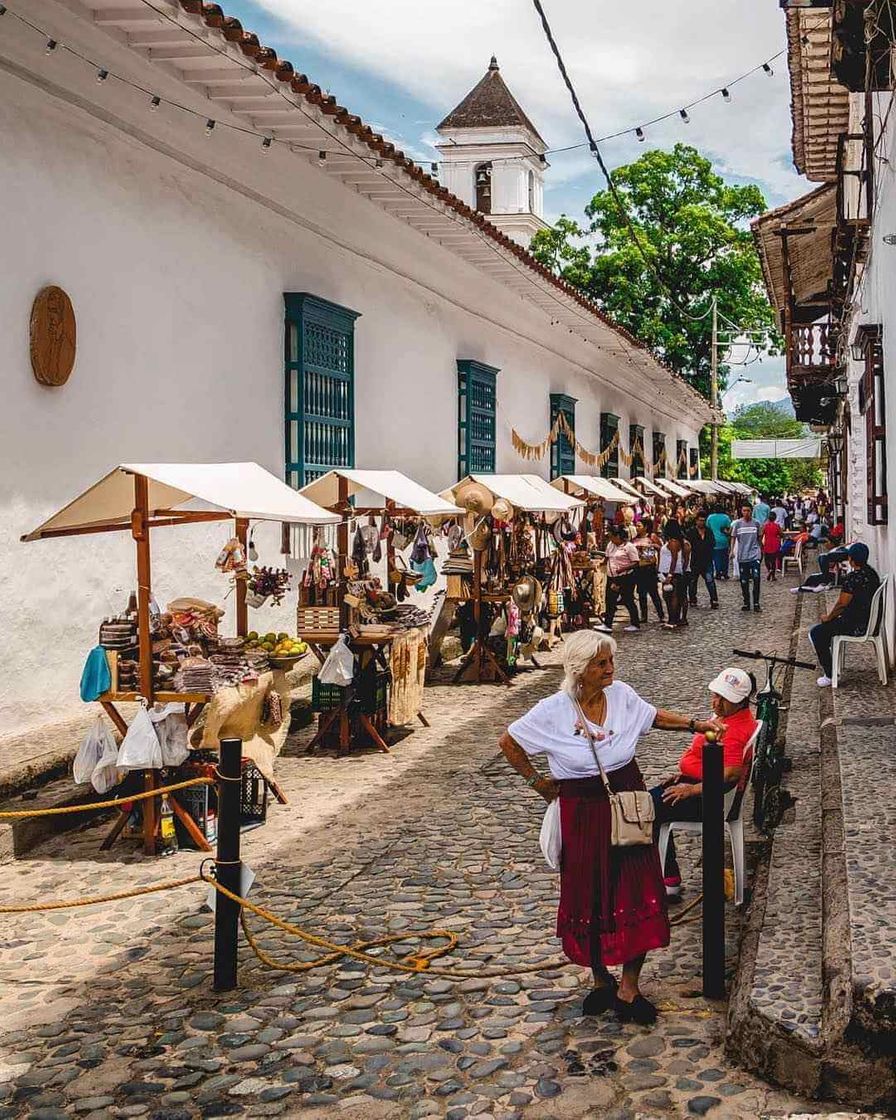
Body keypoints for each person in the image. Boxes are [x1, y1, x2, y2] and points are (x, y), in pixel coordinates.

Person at [498, 631, 724, 1023]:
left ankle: (629, 987)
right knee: (589, 894)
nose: (610, 669)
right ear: (579, 669)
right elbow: (509, 742)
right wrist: (537, 782)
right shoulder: (553, 709)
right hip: (581, 811)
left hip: (626, 807)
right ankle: (601, 979)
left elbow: (653, 716)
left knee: (639, 890)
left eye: (610, 661)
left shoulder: (621, 695)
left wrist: (696, 724)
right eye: (601, 663)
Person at [650, 667, 757, 897]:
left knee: (648, 808)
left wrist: (691, 789)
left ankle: (668, 879)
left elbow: (730, 775)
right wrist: (685, 775)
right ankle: (664, 874)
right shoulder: (727, 717)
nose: (717, 703)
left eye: (725, 699)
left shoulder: (734, 730)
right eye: (716, 695)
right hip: (699, 785)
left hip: (711, 800)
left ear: (741, 702)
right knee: (648, 800)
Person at [809, 543, 881, 687]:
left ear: (851, 559)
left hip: (855, 625)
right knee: (826, 631)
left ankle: (830, 674)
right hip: (870, 622)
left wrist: (828, 618)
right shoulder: (872, 574)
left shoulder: (853, 578)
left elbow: (842, 604)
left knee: (816, 633)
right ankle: (831, 657)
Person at [599, 524, 640, 633]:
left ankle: (635, 623)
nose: (611, 539)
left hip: (625, 577)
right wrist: (601, 563)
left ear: (619, 536)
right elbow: (607, 557)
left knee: (628, 600)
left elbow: (635, 562)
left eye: (613, 537)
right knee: (610, 600)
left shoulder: (629, 547)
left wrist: (622, 569)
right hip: (612, 576)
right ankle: (608, 624)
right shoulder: (610, 545)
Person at [658, 519, 691, 629]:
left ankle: (672, 619)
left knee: (671, 596)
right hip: (672, 571)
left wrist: (670, 575)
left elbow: (674, 559)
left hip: (671, 572)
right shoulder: (680, 542)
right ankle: (675, 618)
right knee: (674, 595)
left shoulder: (673, 542)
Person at [730, 503, 762, 612]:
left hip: (754, 555)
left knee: (756, 578)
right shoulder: (737, 524)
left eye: (748, 510)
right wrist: (732, 551)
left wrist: (760, 551)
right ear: (741, 511)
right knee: (744, 581)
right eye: (744, 510)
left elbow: (759, 538)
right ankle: (746, 602)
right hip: (742, 556)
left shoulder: (756, 523)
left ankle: (756, 602)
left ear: (751, 511)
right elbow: (733, 538)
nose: (746, 513)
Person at [633, 518, 665, 624]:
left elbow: (661, 549)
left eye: (639, 526)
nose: (637, 528)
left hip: (649, 568)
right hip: (639, 568)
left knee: (653, 593)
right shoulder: (634, 539)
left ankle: (661, 615)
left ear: (645, 527)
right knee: (641, 594)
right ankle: (644, 615)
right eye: (636, 526)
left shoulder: (652, 537)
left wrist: (659, 565)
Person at [687, 512, 719, 608]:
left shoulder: (708, 531)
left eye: (703, 521)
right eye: (700, 520)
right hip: (695, 560)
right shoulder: (691, 532)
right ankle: (692, 599)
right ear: (696, 521)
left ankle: (714, 599)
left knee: (710, 580)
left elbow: (713, 542)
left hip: (707, 560)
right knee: (693, 581)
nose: (702, 522)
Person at [706, 504, 732, 579]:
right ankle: (725, 572)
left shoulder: (710, 517)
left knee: (716, 557)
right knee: (725, 557)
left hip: (714, 540)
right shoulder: (726, 517)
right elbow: (729, 528)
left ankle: (718, 573)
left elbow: (708, 528)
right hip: (724, 540)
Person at [761, 511, 782, 581]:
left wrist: (760, 544)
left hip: (767, 544)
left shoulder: (765, 526)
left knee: (766, 559)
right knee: (773, 561)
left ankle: (769, 569)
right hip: (775, 544)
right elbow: (781, 534)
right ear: (775, 518)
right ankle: (773, 576)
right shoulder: (777, 526)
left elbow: (761, 534)